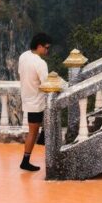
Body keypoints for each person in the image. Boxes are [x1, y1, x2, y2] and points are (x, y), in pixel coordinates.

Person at [18, 33, 62, 172]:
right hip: (37, 102)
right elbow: (46, 84)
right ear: (39, 46)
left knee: (36, 130)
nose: (47, 51)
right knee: (35, 131)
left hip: (28, 98)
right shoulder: (40, 63)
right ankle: (28, 161)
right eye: (46, 47)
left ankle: (28, 158)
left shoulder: (24, 56)